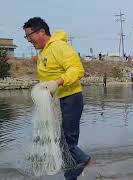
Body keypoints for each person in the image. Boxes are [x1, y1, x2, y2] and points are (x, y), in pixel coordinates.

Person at [23, 17, 91, 180]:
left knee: (68, 142)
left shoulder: (59, 47)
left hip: (70, 99)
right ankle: (73, 173)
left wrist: (57, 82)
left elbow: (77, 69)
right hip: (56, 102)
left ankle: (84, 160)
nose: (28, 40)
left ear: (41, 31)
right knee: (59, 142)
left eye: (29, 35)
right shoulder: (43, 52)